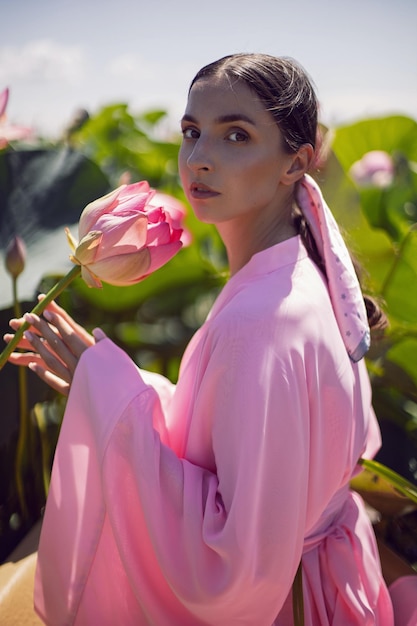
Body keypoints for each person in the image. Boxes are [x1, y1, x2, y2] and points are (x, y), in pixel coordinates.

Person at [4, 52, 414, 625]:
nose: (198, 159)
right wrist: (114, 385)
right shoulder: (300, 271)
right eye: (192, 132)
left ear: (296, 163)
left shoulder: (265, 321)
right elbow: (239, 445)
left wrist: (114, 404)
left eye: (236, 136)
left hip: (288, 603)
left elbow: (232, 569)